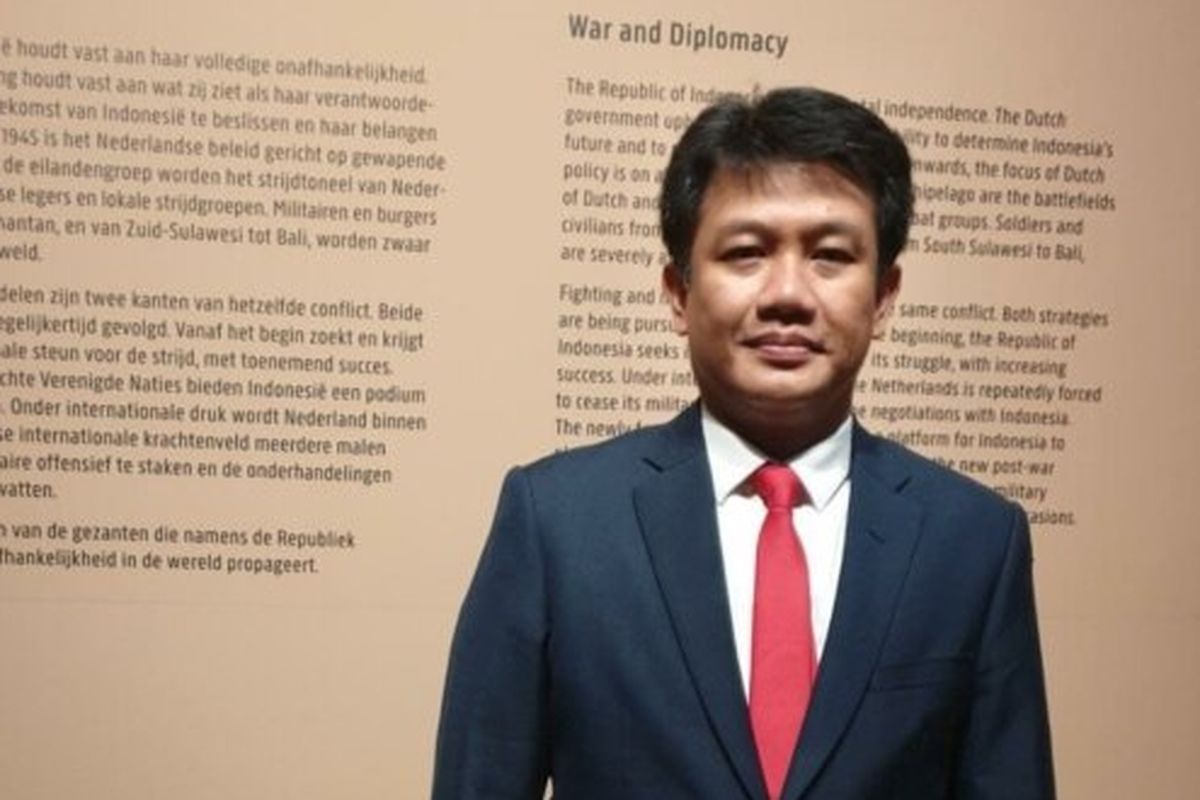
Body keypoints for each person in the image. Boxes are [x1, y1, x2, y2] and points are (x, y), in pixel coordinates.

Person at [432, 87, 1054, 799]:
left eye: (830, 255)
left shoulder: (973, 541)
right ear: (678, 292)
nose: (788, 293)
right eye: (747, 252)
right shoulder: (557, 522)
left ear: (884, 297)